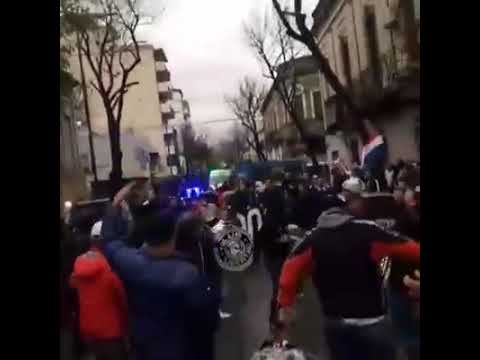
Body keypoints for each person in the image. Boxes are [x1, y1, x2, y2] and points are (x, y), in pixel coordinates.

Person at [276, 177, 420, 360]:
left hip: (335, 322)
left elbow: (289, 271)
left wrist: (286, 306)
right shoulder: (368, 231)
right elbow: (411, 249)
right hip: (372, 320)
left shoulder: (314, 239)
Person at [101, 183, 221, 360]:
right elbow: (209, 322)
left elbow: (110, 241)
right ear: (174, 235)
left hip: (146, 349)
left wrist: (115, 203)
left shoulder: (130, 263)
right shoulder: (188, 275)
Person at [70, 221, 129, 360]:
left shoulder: (77, 269)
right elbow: (123, 304)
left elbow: (73, 286)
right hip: (112, 334)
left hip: (88, 330)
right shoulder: (110, 276)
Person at [258, 170, 289, 329]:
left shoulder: (267, 210)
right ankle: (275, 317)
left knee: (279, 284)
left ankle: (277, 316)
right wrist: (280, 237)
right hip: (274, 252)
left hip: (272, 252)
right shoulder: (273, 218)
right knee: (279, 284)